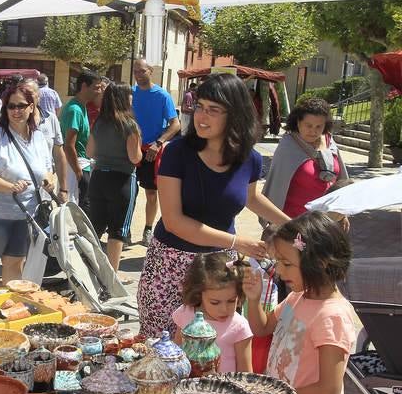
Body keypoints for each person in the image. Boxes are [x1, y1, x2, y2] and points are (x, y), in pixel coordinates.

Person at [136, 73, 290, 338]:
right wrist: (237, 242)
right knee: (162, 349)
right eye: (200, 106)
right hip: (169, 268)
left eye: (213, 110)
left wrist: (293, 224)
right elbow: (174, 221)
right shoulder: (176, 152)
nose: (201, 116)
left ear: (235, 115)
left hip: (219, 273)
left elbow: (251, 198)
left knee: (216, 346)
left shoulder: (250, 158)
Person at [243, 211, 355, 394]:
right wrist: (253, 300)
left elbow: (329, 389)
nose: (279, 271)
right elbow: (262, 328)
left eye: (287, 264)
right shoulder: (297, 297)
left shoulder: (332, 316)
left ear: (321, 262)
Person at [0, 86, 54, 283]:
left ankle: (8, 300)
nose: (16, 111)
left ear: (31, 107)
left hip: (26, 213)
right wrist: (10, 187)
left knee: (15, 262)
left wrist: (49, 180)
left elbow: (47, 168)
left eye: (21, 106)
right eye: (11, 106)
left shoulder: (38, 137)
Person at [86, 83, 142, 271]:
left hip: (98, 178)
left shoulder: (99, 122)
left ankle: (89, 269)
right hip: (122, 179)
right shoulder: (130, 125)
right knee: (118, 230)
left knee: (95, 226)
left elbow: (89, 152)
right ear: (124, 99)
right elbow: (135, 158)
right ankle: (112, 275)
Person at [262, 98, 348, 218]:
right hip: (293, 221)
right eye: (308, 125)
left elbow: (340, 180)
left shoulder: (329, 141)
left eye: (319, 126)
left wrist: (342, 213)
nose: (313, 131)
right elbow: (276, 187)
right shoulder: (288, 147)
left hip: (325, 221)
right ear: (298, 122)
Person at [172, 252, 253, 373]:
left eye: (231, 301)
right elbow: (176, 352)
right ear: (199, 294)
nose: (224, 309)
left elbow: (246, 373)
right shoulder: (185, 313)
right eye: (215, 302)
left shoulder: (240, 326)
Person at [131, 58, 181, 245]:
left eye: (142, 71)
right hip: (131, 148)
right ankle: (124, 230)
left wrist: (158, 143)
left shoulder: (162, 95)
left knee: (151, 193)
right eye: (136, 71)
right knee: (128, 192)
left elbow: (175, 124)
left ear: (151, 71)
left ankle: (147, 229)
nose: (138, 75)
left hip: (152, 151)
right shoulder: (130, 93)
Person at [60, 70, 102, 213]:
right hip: (76, 166)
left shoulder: (81, 107)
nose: (99, 91)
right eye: (96, 87)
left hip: (81, 164)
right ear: (84, 86)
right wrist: (79, 173)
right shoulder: (75, 110)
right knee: (77, 211)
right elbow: (68, 145)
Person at [21, 78, 68, 202]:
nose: (26, 97)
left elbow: (58, 155)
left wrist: (63, 189)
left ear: (38, 96)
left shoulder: (50, 119)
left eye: (30, 93)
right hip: (20, 191)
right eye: (23, 93)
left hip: (45, 191)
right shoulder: (14, 121)